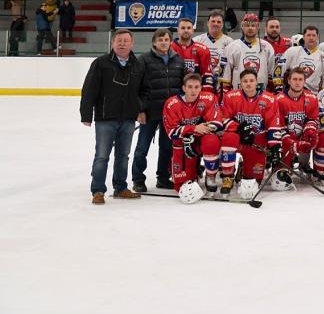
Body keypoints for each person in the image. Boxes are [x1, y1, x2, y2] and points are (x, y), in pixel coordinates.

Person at [81, 29, 146, 204]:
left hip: (128, 118)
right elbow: (89, 90)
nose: (122, 43)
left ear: (132, 44)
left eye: (126, 41)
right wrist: (86, 114)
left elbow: (141, 91)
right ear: (113, 43)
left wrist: (141, 110)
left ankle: (121, 188)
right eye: (119, 40)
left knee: (123, 155)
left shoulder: (138, 64)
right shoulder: (101, 63)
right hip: (105, 117)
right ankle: (98, 190)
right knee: (102, 155)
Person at [162, 73, 234, 199]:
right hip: (183, 144)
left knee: (212, 140)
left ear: (201, 87)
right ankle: (192, 172)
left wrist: (191, 132)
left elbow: (217, 123)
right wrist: (195, 128)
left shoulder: (209, 98)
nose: (193, 90)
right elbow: (172, 132)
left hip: (199, 140)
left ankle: (210, 176)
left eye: (196, 87)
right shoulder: (171, 103)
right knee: (181, 187)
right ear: (183, 88)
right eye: (190, 87)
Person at [132, 28, 186, 192]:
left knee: (167, 147)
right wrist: (140, 109)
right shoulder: (144, 60)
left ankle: (162, 178)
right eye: (160, 39)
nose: (163, 42)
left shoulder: (178, 59)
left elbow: (182, 87)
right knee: (142, 147)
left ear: (171, 42)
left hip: (170, 114)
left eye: (166, 39)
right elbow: (136, 87)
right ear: (154, 42)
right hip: (149, 111)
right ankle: (138, 179)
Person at [220, 69, 286, 194]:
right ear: (240, 83)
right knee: (228, 138)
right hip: (238, 137)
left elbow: (273, 124)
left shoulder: (269, 98)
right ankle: (227, 176)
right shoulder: (230, 96)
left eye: (251, 81)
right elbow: (223, 118)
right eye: (245, 81)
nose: (248, 84)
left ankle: (243, 170)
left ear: (257, 82)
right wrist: (239, 128)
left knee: (254, 180)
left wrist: (275, 148)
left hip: (256, 141)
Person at [276, 67, 324, 184]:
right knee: (283, 174)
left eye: (300, 79)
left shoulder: (311, 97)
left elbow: (313, 118)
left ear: (304, 81)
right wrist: (292, 143)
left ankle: (319, 170)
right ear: (289, 81)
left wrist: (310, 131)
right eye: (294, 79)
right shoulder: (279, 100)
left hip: (303, 135)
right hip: (286, 137)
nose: (297, 82)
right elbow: (278, 128)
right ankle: (285, 166)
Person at [222, 13, 276, 93]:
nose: (250, 28)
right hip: (238, 92)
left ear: (258, 27)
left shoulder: (267, 47)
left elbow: (272, 72)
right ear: (242, 27)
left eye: (253, 25)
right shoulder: (231, 47)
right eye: (247, 25)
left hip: (261, 92)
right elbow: (226, 74)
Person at [280, 25, 324, 92]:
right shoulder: (292, 51)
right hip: (292, 92)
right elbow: (280, 68)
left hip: (312, 94)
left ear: (317, 37)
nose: (311, 38)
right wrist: (279, 87)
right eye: (308, 35)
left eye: (313, 35)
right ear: (304, 37)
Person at [193, 11, 234, 91]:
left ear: (222, 24)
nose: (216, 24)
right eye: (213, 21)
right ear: (207, 23)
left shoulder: (231, 42)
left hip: (222, 85)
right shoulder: (196, 41)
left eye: (219, 22)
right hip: (202, 84)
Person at [171, 17, 213, 90]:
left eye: (189, 28)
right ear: (178, 30)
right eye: (183, 28)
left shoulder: (203, 50)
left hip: (194, 92)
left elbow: (206, 76)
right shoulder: (169, 48)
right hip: (173, 90)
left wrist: (204, 94)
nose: (186, 30)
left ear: (193, 30)